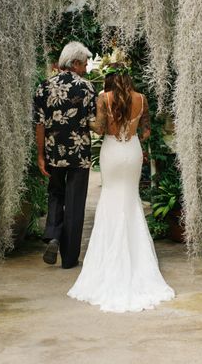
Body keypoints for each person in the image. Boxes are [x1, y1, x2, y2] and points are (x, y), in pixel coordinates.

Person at [67, 62, 175, 312]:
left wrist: (86, 120)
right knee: (130, 199)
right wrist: (131, 130)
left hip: (112, 151)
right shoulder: (142, 99)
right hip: (132, 151)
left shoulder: (104, 98)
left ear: (110, 78)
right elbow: (146, 132)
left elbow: (101, 128)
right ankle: (137, 260)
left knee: (110, 197)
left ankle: (109, 260)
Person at [34, 41, 96, 269]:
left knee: (56, 195)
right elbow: (92, 122)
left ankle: (53, 235)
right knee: (75, 202)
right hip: (79, 154)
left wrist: (41, 155)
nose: (86, 68)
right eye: (85, 63)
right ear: (76, 63)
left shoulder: (43, 86)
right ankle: (69, 259)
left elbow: (39, 125)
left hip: (53, 152)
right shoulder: (87, 87)